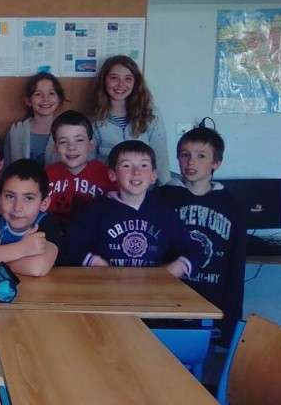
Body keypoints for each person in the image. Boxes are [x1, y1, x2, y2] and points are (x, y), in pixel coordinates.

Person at [158, 127, 246, 345]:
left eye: (201, 156)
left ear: (216, 163)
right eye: (185, 155)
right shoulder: (160, 199)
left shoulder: (232, 207)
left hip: (211, 299)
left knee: (200, 356)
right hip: (167, 300)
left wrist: (230, 318)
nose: (191, 162)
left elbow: (236, 266)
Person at [62, 140, 198, 278]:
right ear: (112, 174)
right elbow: (70, 246)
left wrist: (175, 268)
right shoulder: (96, 211)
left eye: (144, 165)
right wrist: (94, 261)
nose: (136, 172)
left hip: (153, 292)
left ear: (153, 175)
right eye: (126, 165)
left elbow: (194, 250)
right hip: (105, 289)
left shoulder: (165, 213)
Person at [0, 159, 60, 276]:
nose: (17, 207)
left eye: (28, 198)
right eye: (10, 197)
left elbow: (37, 267)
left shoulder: (47, 223)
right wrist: (21, 249)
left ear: (44, 203)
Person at [91, 55, 170, 184]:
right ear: (104, 80)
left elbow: (160, 155)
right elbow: (90, 161)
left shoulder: (151, 114)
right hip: (108, 187)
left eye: (128, 79)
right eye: (114, 78)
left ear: (136, 82)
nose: (121, 84)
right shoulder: (94, 117)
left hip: (143, 188)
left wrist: (165, 188)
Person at [45, 110, 115, 230]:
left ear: (91, 145)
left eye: (79, 140)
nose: (71, 147)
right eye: (63, 142)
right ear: (55, 148)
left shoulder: (107, 175)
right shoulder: (45, 175)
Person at [4, 72, 66, 167]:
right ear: (28, 101)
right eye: (38, 94)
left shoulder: (67, 132)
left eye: (51, 93)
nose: (45, 99)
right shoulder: (15, 131)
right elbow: (7, 168)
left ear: (59, 99)